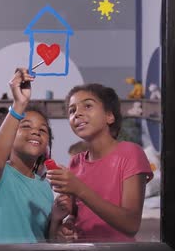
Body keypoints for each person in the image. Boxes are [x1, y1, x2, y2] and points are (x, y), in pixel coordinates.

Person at [47, 83, 153, 242]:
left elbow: (131, 224)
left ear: (109, 116)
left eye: (88, 106)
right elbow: (77, 214)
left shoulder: (131, 153)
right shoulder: (75, 162)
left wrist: (79, 188)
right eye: (72, 110)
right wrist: (68, 225)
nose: (77, 114)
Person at [0, 68, 54, 244]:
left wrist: (59, 219)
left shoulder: (46, 189)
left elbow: (47, 239)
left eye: (42, 130)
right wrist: (18, 104)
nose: (36, 132)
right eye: (26, 126)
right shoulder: (0, 175)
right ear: (11, 133)